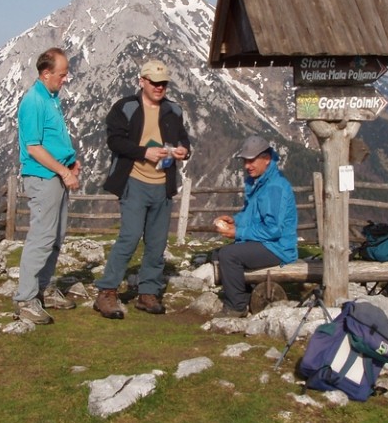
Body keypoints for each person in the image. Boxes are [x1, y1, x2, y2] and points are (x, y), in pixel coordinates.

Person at [93, 60, 191, 319]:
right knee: (130, 236)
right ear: (142, 82)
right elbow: (114, 142)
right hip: (134, 181)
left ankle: (148, 293)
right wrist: (143, 151)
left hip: (163, 184)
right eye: (155, 83)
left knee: (157, 243)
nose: (159, 87)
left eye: (163, 83)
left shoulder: (173, 110)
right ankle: (107, 291)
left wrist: (183, 150)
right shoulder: (125, 108)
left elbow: (183, 138)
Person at [13, 47, 82, 325]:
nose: (66, 79)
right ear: (46, 73)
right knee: (42, 237)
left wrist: (71, 161)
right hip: (43, 176)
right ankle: (26, 299)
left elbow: (53, 140)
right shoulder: (34, 101)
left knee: (56, 236)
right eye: (62, 74)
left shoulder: (52, 98)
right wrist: (64, 172)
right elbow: (34, 148)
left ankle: (44, 288)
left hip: (55, 174)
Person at [211, 135, 298, 317]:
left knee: (229, 255)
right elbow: (251, 216)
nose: (246, 166)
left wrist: (238, 233)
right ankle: (247, 294)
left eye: (251, 161)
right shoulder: (259, 183)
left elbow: (274, 230)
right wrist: (235, 221)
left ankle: (236, 306)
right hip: (268, 243)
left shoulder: (275, 187)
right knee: (220, 253)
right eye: (245, 161)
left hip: (278, 247)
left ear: (266, 159)